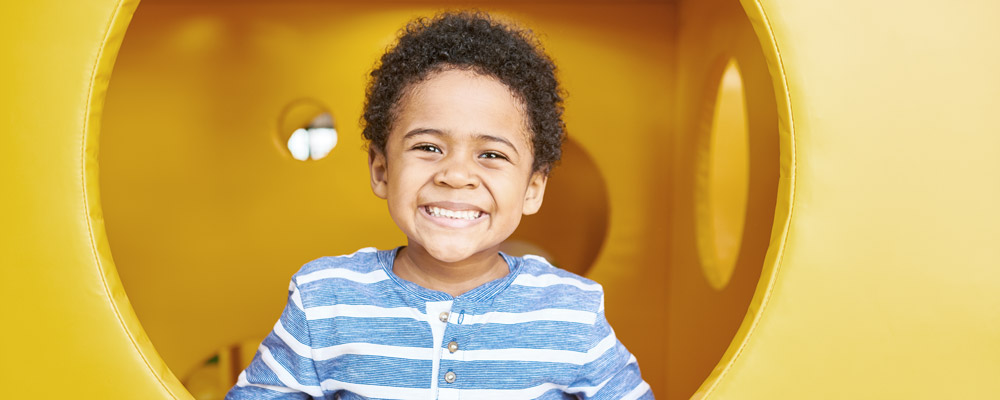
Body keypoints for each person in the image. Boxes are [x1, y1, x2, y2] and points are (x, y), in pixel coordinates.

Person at [226, 11, 652, 400]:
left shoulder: (571, 310)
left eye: (491, 154)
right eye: (429, 147)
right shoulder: (324, 298)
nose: (456, 174)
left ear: (533, 188)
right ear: (381, 170)